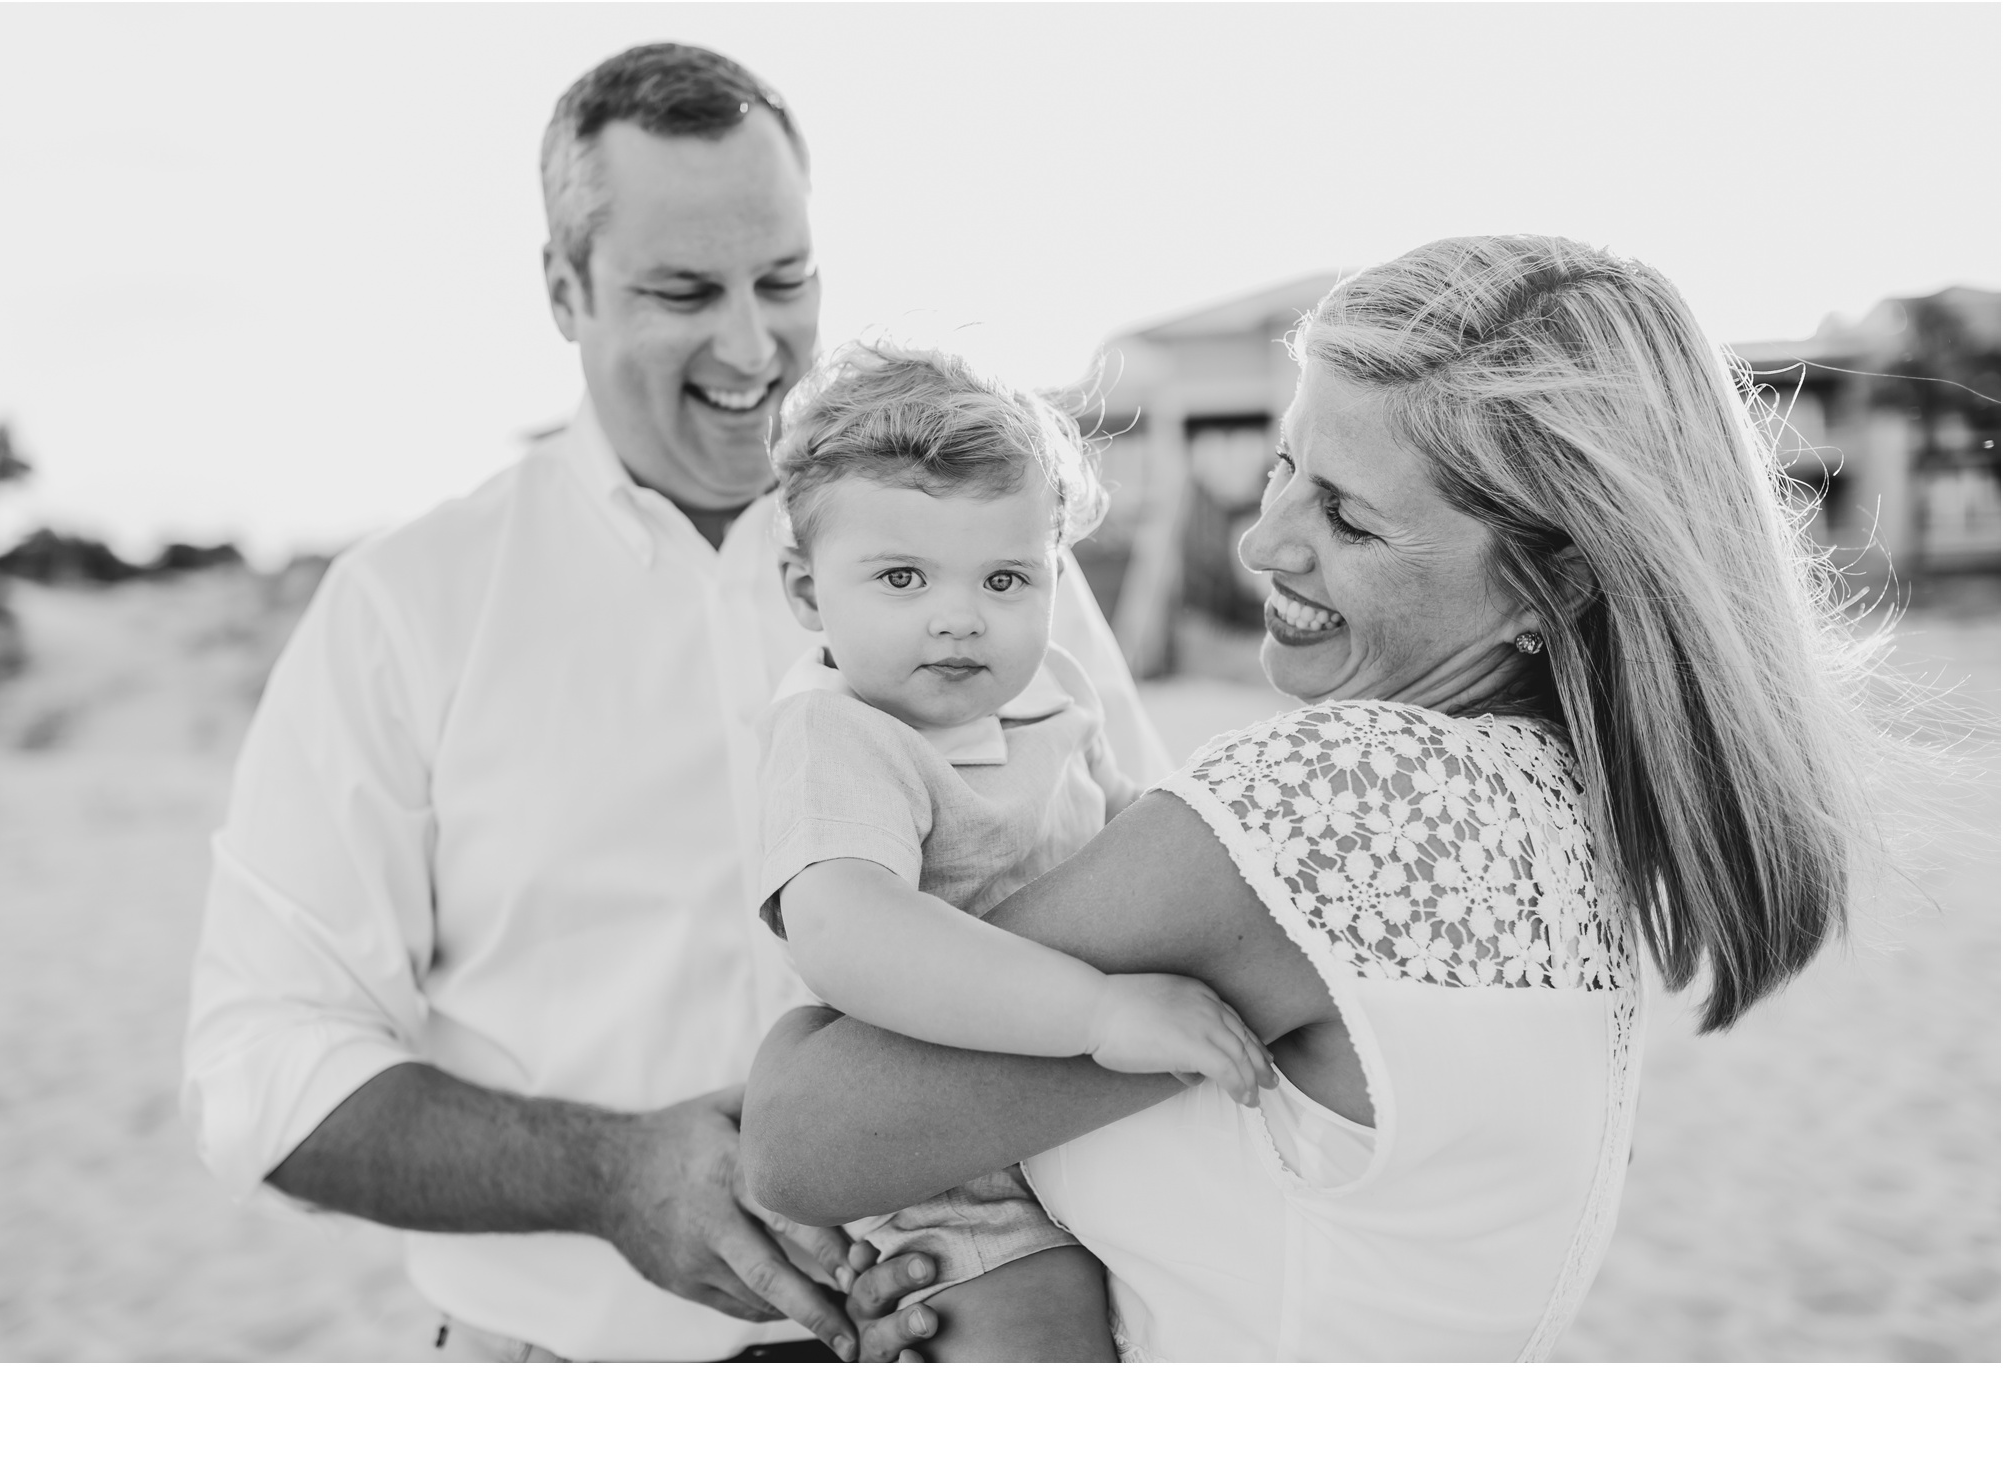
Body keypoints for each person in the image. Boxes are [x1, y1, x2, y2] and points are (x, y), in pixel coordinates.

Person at [179, 42, 1165, 1363]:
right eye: (684, 291)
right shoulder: (406, 606)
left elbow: (1138, 878)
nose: (755, 347)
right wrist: (611, 1173)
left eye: (788, 279)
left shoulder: (982, 572)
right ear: (562, 286)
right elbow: (259, 1070)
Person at [743, 234, 1889, 1360]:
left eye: (1347, 515)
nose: (1259, 539)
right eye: (1284, 467)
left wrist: (796, 1040)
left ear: (1555, 577)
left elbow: (796, 1139)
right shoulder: (1563, 817)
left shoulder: (1346, 806)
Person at [754, 343, 1274, 1359]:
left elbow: (1133, 832)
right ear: (807, 593)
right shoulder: (838, 732)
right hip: (957, 1170)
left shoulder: (1051, 693)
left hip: (1091, 1120)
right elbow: (844, 928)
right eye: (900, 577)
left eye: (1005, 578)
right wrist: (1097, 1010)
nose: (959, 616)